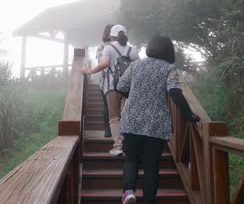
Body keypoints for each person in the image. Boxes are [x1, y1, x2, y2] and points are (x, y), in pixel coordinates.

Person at [116, 35, 201, 204]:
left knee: (131, 158)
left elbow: (121, 87)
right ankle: (149, 201)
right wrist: (190, 115)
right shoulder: (169, 68)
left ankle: (129, 192)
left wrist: (134, 96)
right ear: (169, 50)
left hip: (132, 119)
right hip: (156, 123)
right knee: (151, 166)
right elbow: (175, 92)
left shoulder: (136, 65)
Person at [81, 24, 139, 156]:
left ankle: (118, 146)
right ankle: (129, 145)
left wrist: (89, 71)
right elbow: (138, 68)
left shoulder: (108, 48)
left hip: (112, 86)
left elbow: (104, 64)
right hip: (129, 87)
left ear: (112, 36)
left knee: (114, 117)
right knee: (126, 116)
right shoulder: (133, 50)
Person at [95, 24, 113, 137]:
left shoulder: (101, 47)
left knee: (106, 105)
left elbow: (100, 63)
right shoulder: (123, 46)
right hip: (121, 82)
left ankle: (108, 129)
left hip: (105, 81)